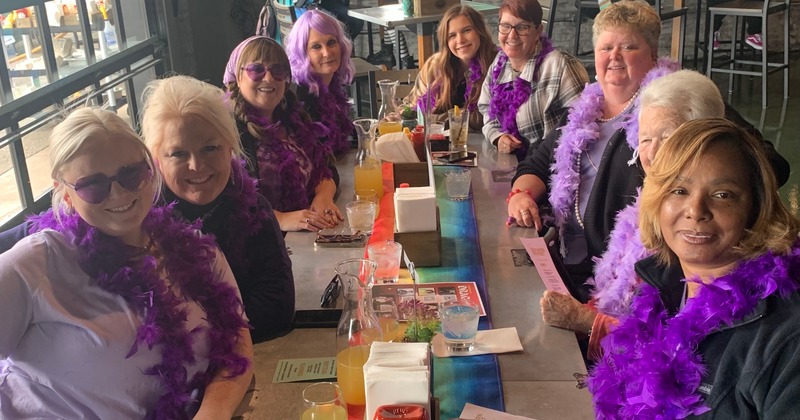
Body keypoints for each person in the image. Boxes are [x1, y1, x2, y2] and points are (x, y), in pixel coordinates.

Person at [0, 108, 252, 418]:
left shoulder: (198, 251)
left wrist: (213, 413)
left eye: (130, 173)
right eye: (93, 185)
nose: (118, 193)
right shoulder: (35, 265)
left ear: (150, 170)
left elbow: (237, 345)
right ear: (65, 194)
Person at [589, 118, 800, 418]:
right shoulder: (656, 294)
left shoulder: (786, 340)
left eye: (722, 194)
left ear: (756, 207)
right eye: (679, 190)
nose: (696, 210)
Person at [508, 0, 676, 302]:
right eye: (605, 47)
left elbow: (762, 158)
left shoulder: (672, 105)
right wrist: (520, 196)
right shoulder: (582, 111)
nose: (614, 56)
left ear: (652, 54)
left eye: (628, 47)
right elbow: (536, 162)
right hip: (565, 263)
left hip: (631, 280)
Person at [140, 75, 295, 343]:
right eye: (178, 154)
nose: (197, 166)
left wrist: (200, 339)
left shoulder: (255, 209)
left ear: (230, 148)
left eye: (210, 148)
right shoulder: (138, 225)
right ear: (156, 161)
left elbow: (276, 308)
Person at [224, 36, 343, 232]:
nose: (268, 78)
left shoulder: (293, 120)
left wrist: (324, 196)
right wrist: (279, 219)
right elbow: (228, 202)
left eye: (278, 70)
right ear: (238, 76)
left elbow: (326, 167)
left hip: (307, 236)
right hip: (260, 244)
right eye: (256, 69)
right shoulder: (228, 132)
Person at [477, 0, 588, 160]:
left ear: (538, 31)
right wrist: (498, 136)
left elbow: (582, 126)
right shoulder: (500, 61)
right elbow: (486, 107)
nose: (512, 35)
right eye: (505, 26)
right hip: (510, 164)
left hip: (550, 169)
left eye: (522, 27)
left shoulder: (560, 66)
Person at [405, 5, 498, 131]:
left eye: (466, 30)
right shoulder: (435, 66)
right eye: (452, 35)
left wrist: (439, 119)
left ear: (479, 31)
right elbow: (414, 106)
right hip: (440, 145)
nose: (460, 40)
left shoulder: (498, 64)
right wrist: (397, 116)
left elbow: (489, 118)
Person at [285, 9, 355, 155]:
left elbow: (340, 135)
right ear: (303, 53)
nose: (327, 53)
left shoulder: (331, 86)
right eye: (316, 47)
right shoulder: (300, 97)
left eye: (331, 42)